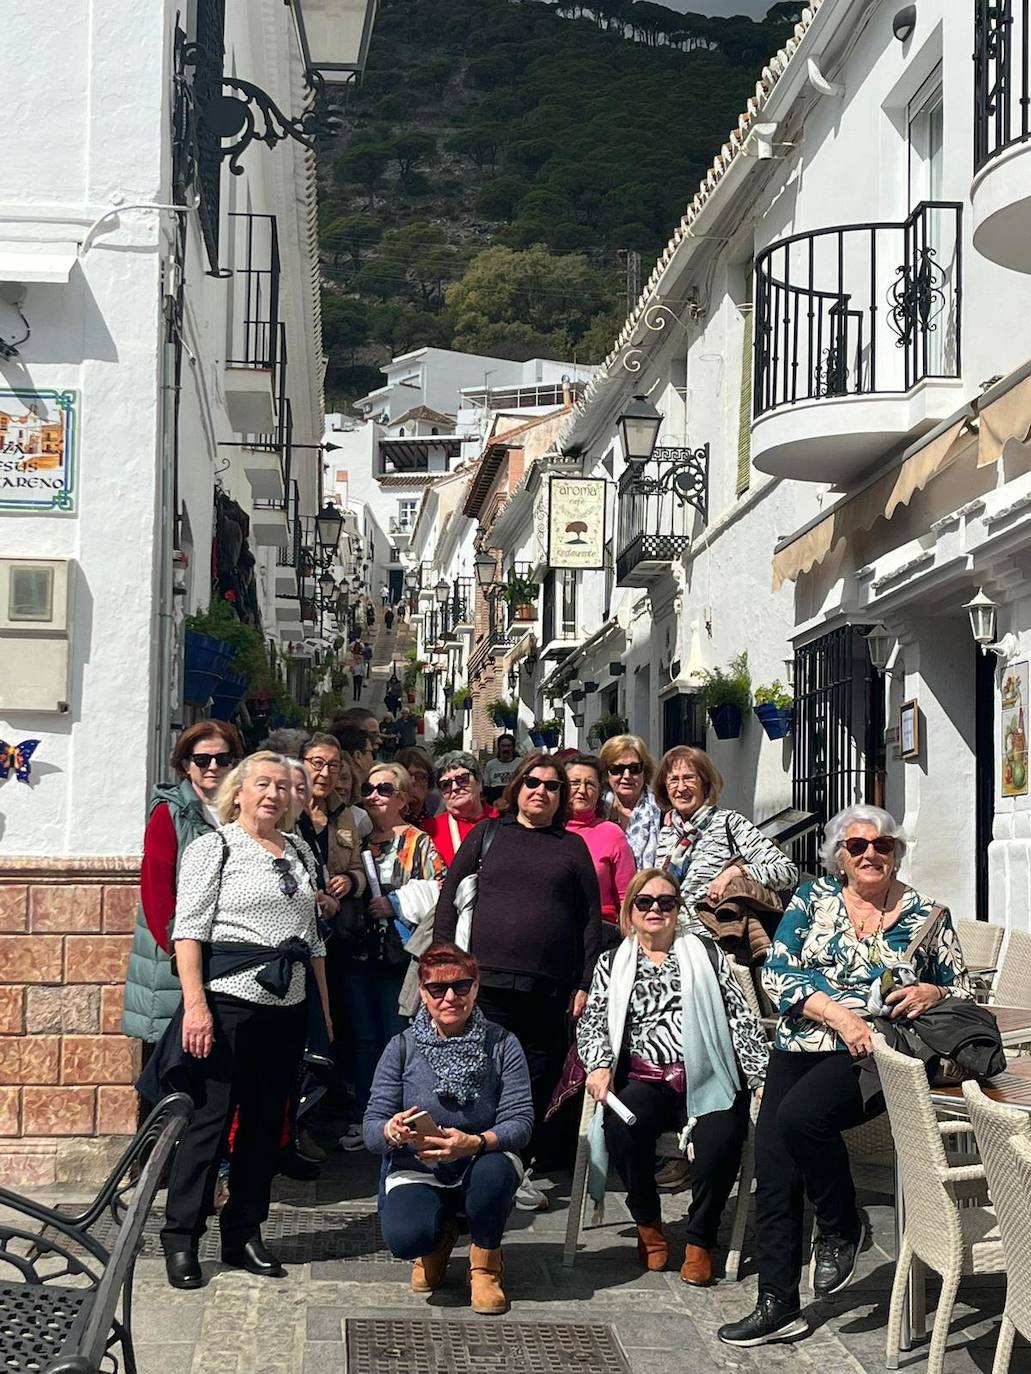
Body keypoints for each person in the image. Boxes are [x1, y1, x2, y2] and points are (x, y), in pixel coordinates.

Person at [718, 804, 973, 1347]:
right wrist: (838, 1014)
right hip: (803, 1039)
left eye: (882, 845)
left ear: (896, 852)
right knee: (775, 1162)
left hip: (876, 1053)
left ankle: (840, 1223)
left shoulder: (928, 914)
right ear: (840, 856)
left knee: (799, 1117)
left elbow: (967, 992)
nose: (870, 854)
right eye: (857, 846)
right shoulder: (812, 900)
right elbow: (779, 974)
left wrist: (936, 990)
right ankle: (777, 1303)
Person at [149, 752, 331, 1290]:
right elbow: (190, 932)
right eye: (262, 785)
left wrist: (323, 1010)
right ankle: (181, 1237)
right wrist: (196, 1005)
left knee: (264, 1126)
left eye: (282, 785)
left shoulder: (299, 848)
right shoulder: (215, 847)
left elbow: (313, 937)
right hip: (227, 1003)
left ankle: (243, 1232)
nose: (273, 794)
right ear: (240, 791)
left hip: (288, 1006)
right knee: (208, 1124)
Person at [577, 869, 767, 1284]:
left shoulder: (705, 953)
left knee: (721, 1139)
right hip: (646, 1077)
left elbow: (740, 1017)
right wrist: (598, 1063)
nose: (655, 909)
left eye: (666, 902)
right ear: (631, 910)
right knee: (622, 1127)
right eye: (645, 902)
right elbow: (593, 1022)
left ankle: (700, 1239)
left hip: (707, 1071)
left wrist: (758, 1076)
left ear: (678, 909)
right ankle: (647, 1224)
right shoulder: (612, 962)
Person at [435, 752, 602, 1210]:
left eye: (551, 786)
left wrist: (585, 981)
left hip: (548, 989)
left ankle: (511, 1164)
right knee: (475, 1072)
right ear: (517, 786)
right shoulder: (489, 835)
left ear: (561, 796)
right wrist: (444, 962)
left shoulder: (572, 847)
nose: (540, 791)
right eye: (532, 782)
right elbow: (450, 897)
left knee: (532, 1079)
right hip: (484, 983)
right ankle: (464, 1163)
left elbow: (590, 919)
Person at [364, 942, 534, 1314]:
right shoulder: (401, 1047)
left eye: (461, 985)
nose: (450, 997)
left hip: (481, 1157)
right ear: (422, 994)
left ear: (475, 988)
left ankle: (486, 1265)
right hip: (419, 1164)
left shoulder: (502, 1044)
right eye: (438, 989)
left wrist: (474, 1142)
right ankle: (436, 1241)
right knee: (406, 1239)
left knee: (493, 1174)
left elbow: (521, 1122)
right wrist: (391, 1131)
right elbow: (371, 1125)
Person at [339, 763, 446, 1139]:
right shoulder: (353, 839)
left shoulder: (418, 842)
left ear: (403, 798)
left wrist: (396, 903)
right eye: (368, 788)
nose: (373, 796)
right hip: (356, 951)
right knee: (362, 1038)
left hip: (396, 955)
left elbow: (441, 890)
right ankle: (367, 1115)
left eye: (385, 789)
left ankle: (400, 1115)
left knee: (394, 1035)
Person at [123, 720, 243, 1045]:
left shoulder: (244, 812)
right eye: (202, 760)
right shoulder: (169, 813)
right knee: (175, 1068)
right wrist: (187, 954)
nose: (213, 767)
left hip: (230, 957)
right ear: (186, 765)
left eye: (223, 758)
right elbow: (157, 895)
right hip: (174, 964)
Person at [654, 746, 799, 923]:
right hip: (669, 937)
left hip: (715, 939)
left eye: (689, 778)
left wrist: (735, 872)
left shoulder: (729, 823)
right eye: (673, 780)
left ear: (705, 784)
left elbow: (788, 872)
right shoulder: (666, 833)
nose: (681, 787)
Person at [565, 753, 637, 946]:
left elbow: (627, 897)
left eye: (590, 784)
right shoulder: (549, 831)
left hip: (600, 935)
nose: (582, 790)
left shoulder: (611, 833)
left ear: (599, 793)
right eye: (575, 783)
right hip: (555, 932)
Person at [421, 752, 498, 866]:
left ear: (479, 782)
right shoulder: (431, 830)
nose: (455, 787)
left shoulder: (502, 820)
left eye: (462, 779)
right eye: (445, 784)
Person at [598, 735, 662, 870]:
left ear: (645, 772)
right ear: (605, 774)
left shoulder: (662, 811)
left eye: (634, 768)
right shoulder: (597, 810)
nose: (627, 776)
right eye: (617, 769)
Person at [396, 746, 440, 826]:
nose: (412, 781)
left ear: (429, 783)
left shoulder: (437, 814)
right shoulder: (388, 820)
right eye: (406, 776)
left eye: (419, 776)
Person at [482, 734, 519, 802]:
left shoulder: (520, 763)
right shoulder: (491, 765)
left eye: (508, 746)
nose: (506, 749)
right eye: (503, 746)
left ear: (513, 747)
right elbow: (486, 787)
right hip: (495, 799)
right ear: (499, 747)